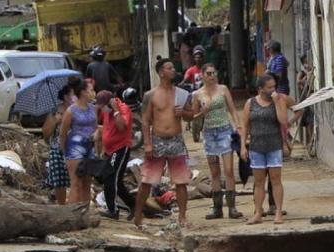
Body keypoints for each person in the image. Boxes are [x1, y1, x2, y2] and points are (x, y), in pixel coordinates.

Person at [133, 59, 195, 228]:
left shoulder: (181, 94)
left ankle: (182, 216)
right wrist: (147, 143)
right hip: (157, 141)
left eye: (173, 67)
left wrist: (183, 112)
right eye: (169, 68)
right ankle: (137, 215)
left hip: (176, 140)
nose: (173, 70)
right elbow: (145, 121)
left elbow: (191, 116)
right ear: (161, 73)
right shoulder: (150, 95)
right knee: (147, 180)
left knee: (181, 181)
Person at [193, 62, 243, 219]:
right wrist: (203, 111)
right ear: (202, 75)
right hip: (209, 133)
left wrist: (238, 126)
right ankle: (217, 208)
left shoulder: (223, 89)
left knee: (228, 170)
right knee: (214, 172)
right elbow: (193, 117)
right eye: (208, 73)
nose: (212, 76)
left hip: (225, 130)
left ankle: (232, 207)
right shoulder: (197, 94)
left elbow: (232, 109)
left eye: (214, 73)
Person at [241, 74, 288, 225]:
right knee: (259, 181)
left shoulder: (278, 100)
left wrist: (277, 102)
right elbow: (245, 126)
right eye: (269, 87)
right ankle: (258, 212)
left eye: (274, 86)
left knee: (276, 180)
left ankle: (278, 212)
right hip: (256, 146)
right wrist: (243, 146)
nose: (273, 90)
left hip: (274, 145)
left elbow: (283, 121)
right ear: (261, 89)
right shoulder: (250, 103)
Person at [94, 90, 135, 220]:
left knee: (110, 179)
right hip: (110, 150)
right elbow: (106, 129)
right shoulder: (106, 112)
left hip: (120, 148)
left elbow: (122, 127)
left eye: (102, 106)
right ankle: (134, 205)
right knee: (116, 181)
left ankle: (113, 210)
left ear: (110, 103)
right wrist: (104, 149)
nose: (102, 109)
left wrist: (116, 111)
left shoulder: (123, 109)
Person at [59, 79, 98, 204]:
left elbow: (95, 126)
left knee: (87, 183)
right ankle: (72, 212)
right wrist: (64, 153)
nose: (93, 92)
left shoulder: (93, 108)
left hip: (90, 146)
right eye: (90, 90)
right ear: (83, 92)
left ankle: (85, 211)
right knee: (76, 183)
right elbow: (63, 134)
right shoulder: (71, 111)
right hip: (75, 148)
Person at [42, 79, 78, 205]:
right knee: (59, 181)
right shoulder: (55, 111)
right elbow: (45, 134)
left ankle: (73, 206)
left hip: (74, 150)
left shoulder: (77, 110)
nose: (75, 96)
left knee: (75, 179)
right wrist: (55, 121)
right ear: (66, 97)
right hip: (57, 150)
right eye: (73, 94)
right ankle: (61, 207)